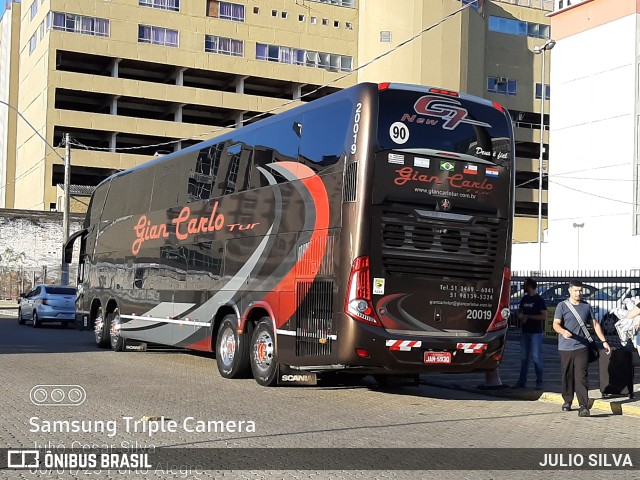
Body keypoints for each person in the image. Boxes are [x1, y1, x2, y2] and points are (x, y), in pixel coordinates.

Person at [553, 280, 611, 417]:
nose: (578, 293)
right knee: (567, 375)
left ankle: (583, 405)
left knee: (581, 376)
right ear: (570, 291)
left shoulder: (586, 306)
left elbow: (595, 324)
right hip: (565, 347)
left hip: (582, 347)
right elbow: (556, 324)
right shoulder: (562, 306)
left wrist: (604, 341)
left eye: (580, 290)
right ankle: (567, 401)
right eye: (576, 290)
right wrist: (562, 331)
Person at [513, 277, 547, 390]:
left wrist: (529, 317)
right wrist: (520, 316)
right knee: (524, 357)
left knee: (536, 357)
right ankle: (521, 382)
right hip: (525, 331)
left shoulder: (539, 300)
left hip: (536, 332)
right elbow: (519, 310)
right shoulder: (524, 299)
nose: (523, 287)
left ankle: (539, 381)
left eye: (525, 285)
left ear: (530, 286)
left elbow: (544, 316)